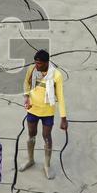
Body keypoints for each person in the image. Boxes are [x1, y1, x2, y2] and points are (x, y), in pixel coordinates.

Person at [22, 49, 68, 179]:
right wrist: (26, 97)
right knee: (31, 134)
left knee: (46, 136)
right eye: (36, 63)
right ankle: (30, 160)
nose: (37, 66)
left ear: (47, 62)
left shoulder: (56, 75)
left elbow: (61, 97)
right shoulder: (31, 69)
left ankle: (46, 165)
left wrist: (63, 118)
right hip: (32, 109)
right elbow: (26, 83)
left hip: (47, 111)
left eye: (40, 64)